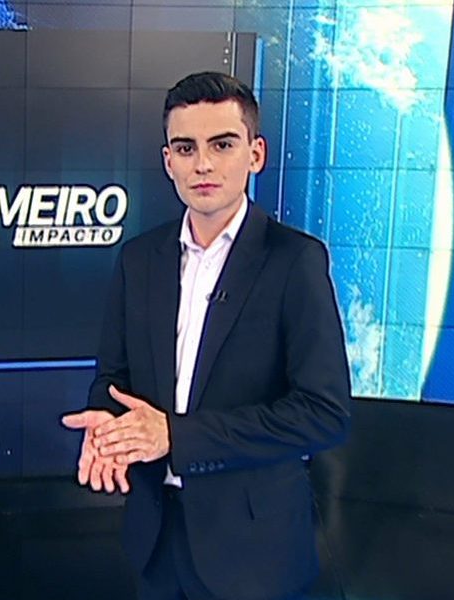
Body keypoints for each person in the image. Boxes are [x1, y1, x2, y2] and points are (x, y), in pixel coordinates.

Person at [61, 71, 352, 600]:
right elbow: (114, 378)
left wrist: (178, 437)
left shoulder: (295, 262)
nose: (202, 164)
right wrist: (108, 424)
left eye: (222, 145)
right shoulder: (139, 259)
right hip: (156, 541)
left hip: (254, 557)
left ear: (255, 154)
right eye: (185, 148)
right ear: (167, 160)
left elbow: (323, 414)